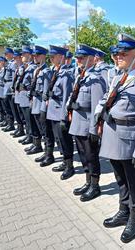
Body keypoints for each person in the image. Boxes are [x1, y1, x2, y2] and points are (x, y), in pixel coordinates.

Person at [95, 33, 135, 243]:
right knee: (120, 179)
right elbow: (106, 99)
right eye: (117, 53)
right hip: (114, 136)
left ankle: (134, 216)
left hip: (131, 141)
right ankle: (123, 210)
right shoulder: (117, 77)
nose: (118, 56)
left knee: (134, 182)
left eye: (124, 53)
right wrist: (100, 112)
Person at [67, 44, 106, 202]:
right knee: (83, 155)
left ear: (91, 58)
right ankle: (87, 181)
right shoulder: (80, 76)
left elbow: (97, 106)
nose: (78, 60)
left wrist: (94, 129)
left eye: (81, 57)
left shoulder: (95, 79)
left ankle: (95, 186)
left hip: (87, 124)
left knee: (91, 156)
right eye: (77, 57)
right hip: (77, 122)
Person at [45, 45, 75, 178]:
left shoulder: (66, 75)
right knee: (58, 139)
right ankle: (64, 161)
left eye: (53, 56)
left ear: (62, 57)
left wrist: (64, 117)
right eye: (50, 57)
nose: (51, 59)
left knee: (65, 140)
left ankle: (70, 166)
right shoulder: (55, 72)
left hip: (59, 113)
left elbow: (66, 98)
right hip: (52, 111)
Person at [26, 45, 52, 155]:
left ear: (43, 56)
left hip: (41, 105)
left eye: (37, 56)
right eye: (34, 56)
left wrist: (43, 109)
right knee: (40, 129)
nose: (34, 57)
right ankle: (41, 148)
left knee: (46, 132)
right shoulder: (37, 70)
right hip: (35, 104)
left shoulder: (46, 71)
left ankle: (48, 154)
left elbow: (46, 93)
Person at [18, 46, 37, 146]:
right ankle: (29, 136)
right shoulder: (25, 67)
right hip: (23, 95)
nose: (22, 56)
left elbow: (33, 83)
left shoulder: (33, 68)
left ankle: (34, 141)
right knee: (26, 119)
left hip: (28, 96)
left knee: (30, 120)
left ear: (29, 55)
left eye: (24, 54)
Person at [2, 48, 17, 132]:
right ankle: (10, 123)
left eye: (7, 54)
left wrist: (12, 88)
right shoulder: (8, 64)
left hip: (10, 88)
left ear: (11, 54)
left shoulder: (13, 64)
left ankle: (13, 125)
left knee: (12, 108)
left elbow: (14, 78)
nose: (5, 55)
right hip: (6, 87)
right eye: (5, 54)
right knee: (7, 107)